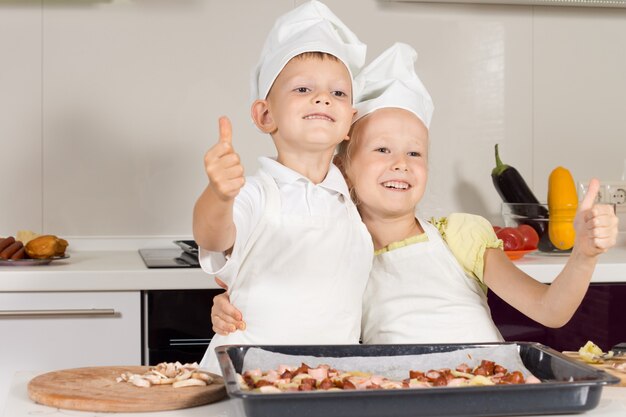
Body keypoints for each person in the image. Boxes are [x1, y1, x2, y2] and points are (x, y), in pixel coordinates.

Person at [210, 42, 619, 346]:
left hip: (490, 389)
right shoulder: (335, 247)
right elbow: (284, 295)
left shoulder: (460, 235)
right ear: (343, 167)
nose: (401, 163)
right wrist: (237, 308)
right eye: (382, 150)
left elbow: (551, 310)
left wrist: (584, 255)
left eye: (415, 152)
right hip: (397, 398)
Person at [192, 1, 373, 374]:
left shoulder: (354, 202)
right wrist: (219, 194)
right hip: (249, 375)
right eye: (303, 88)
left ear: (350, 123)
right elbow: (212, 236)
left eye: (338, 93)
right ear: (264, 115)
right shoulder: (256, 193)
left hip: (328, 380)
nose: (322, 98)